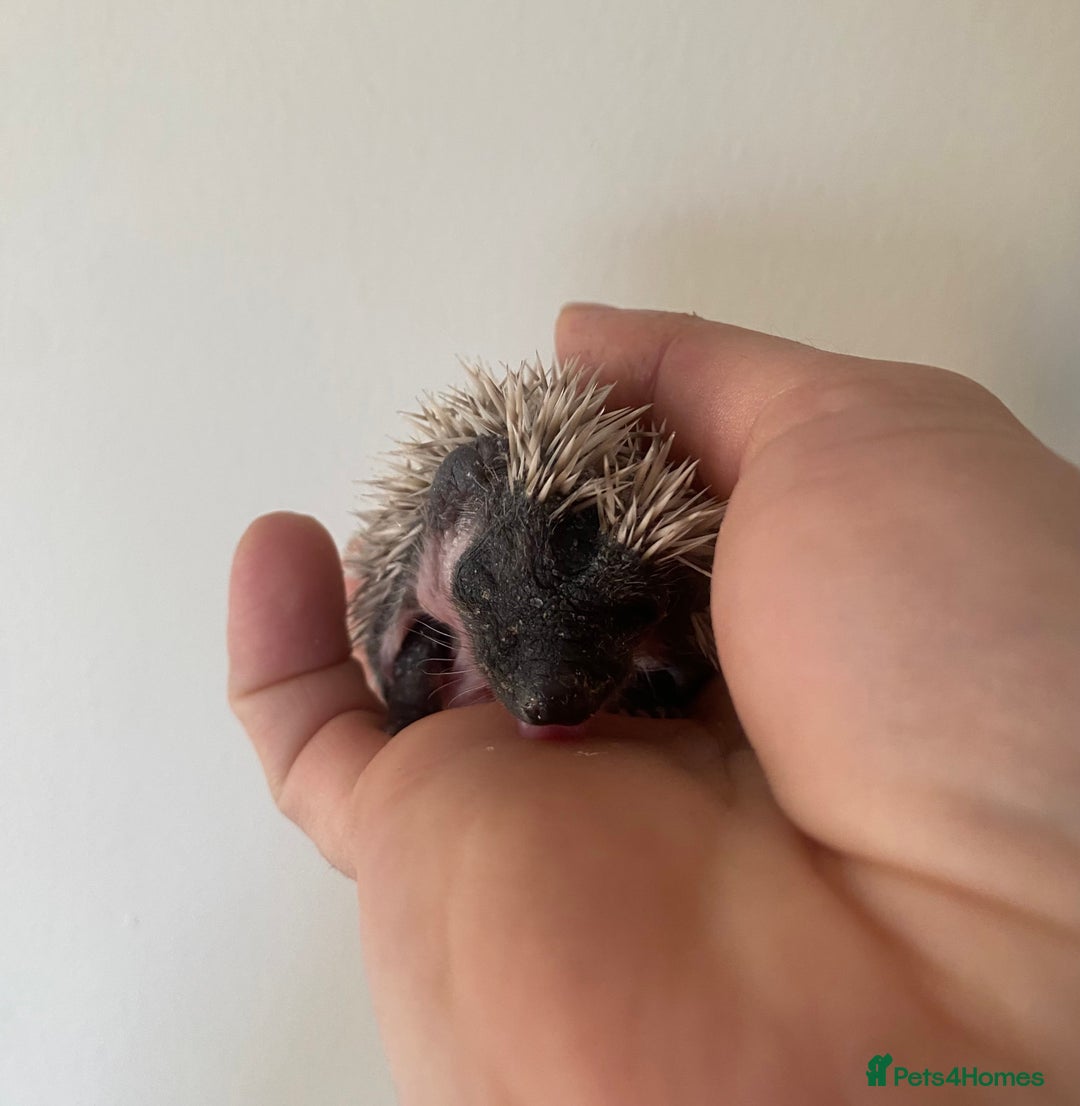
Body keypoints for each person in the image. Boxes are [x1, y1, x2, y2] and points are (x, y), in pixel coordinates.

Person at [227, 305, 1080, 1104]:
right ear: (453, 522)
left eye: (626, 615)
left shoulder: (673, 626)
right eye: (490, 589)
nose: (549, 691)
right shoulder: (435, 564)